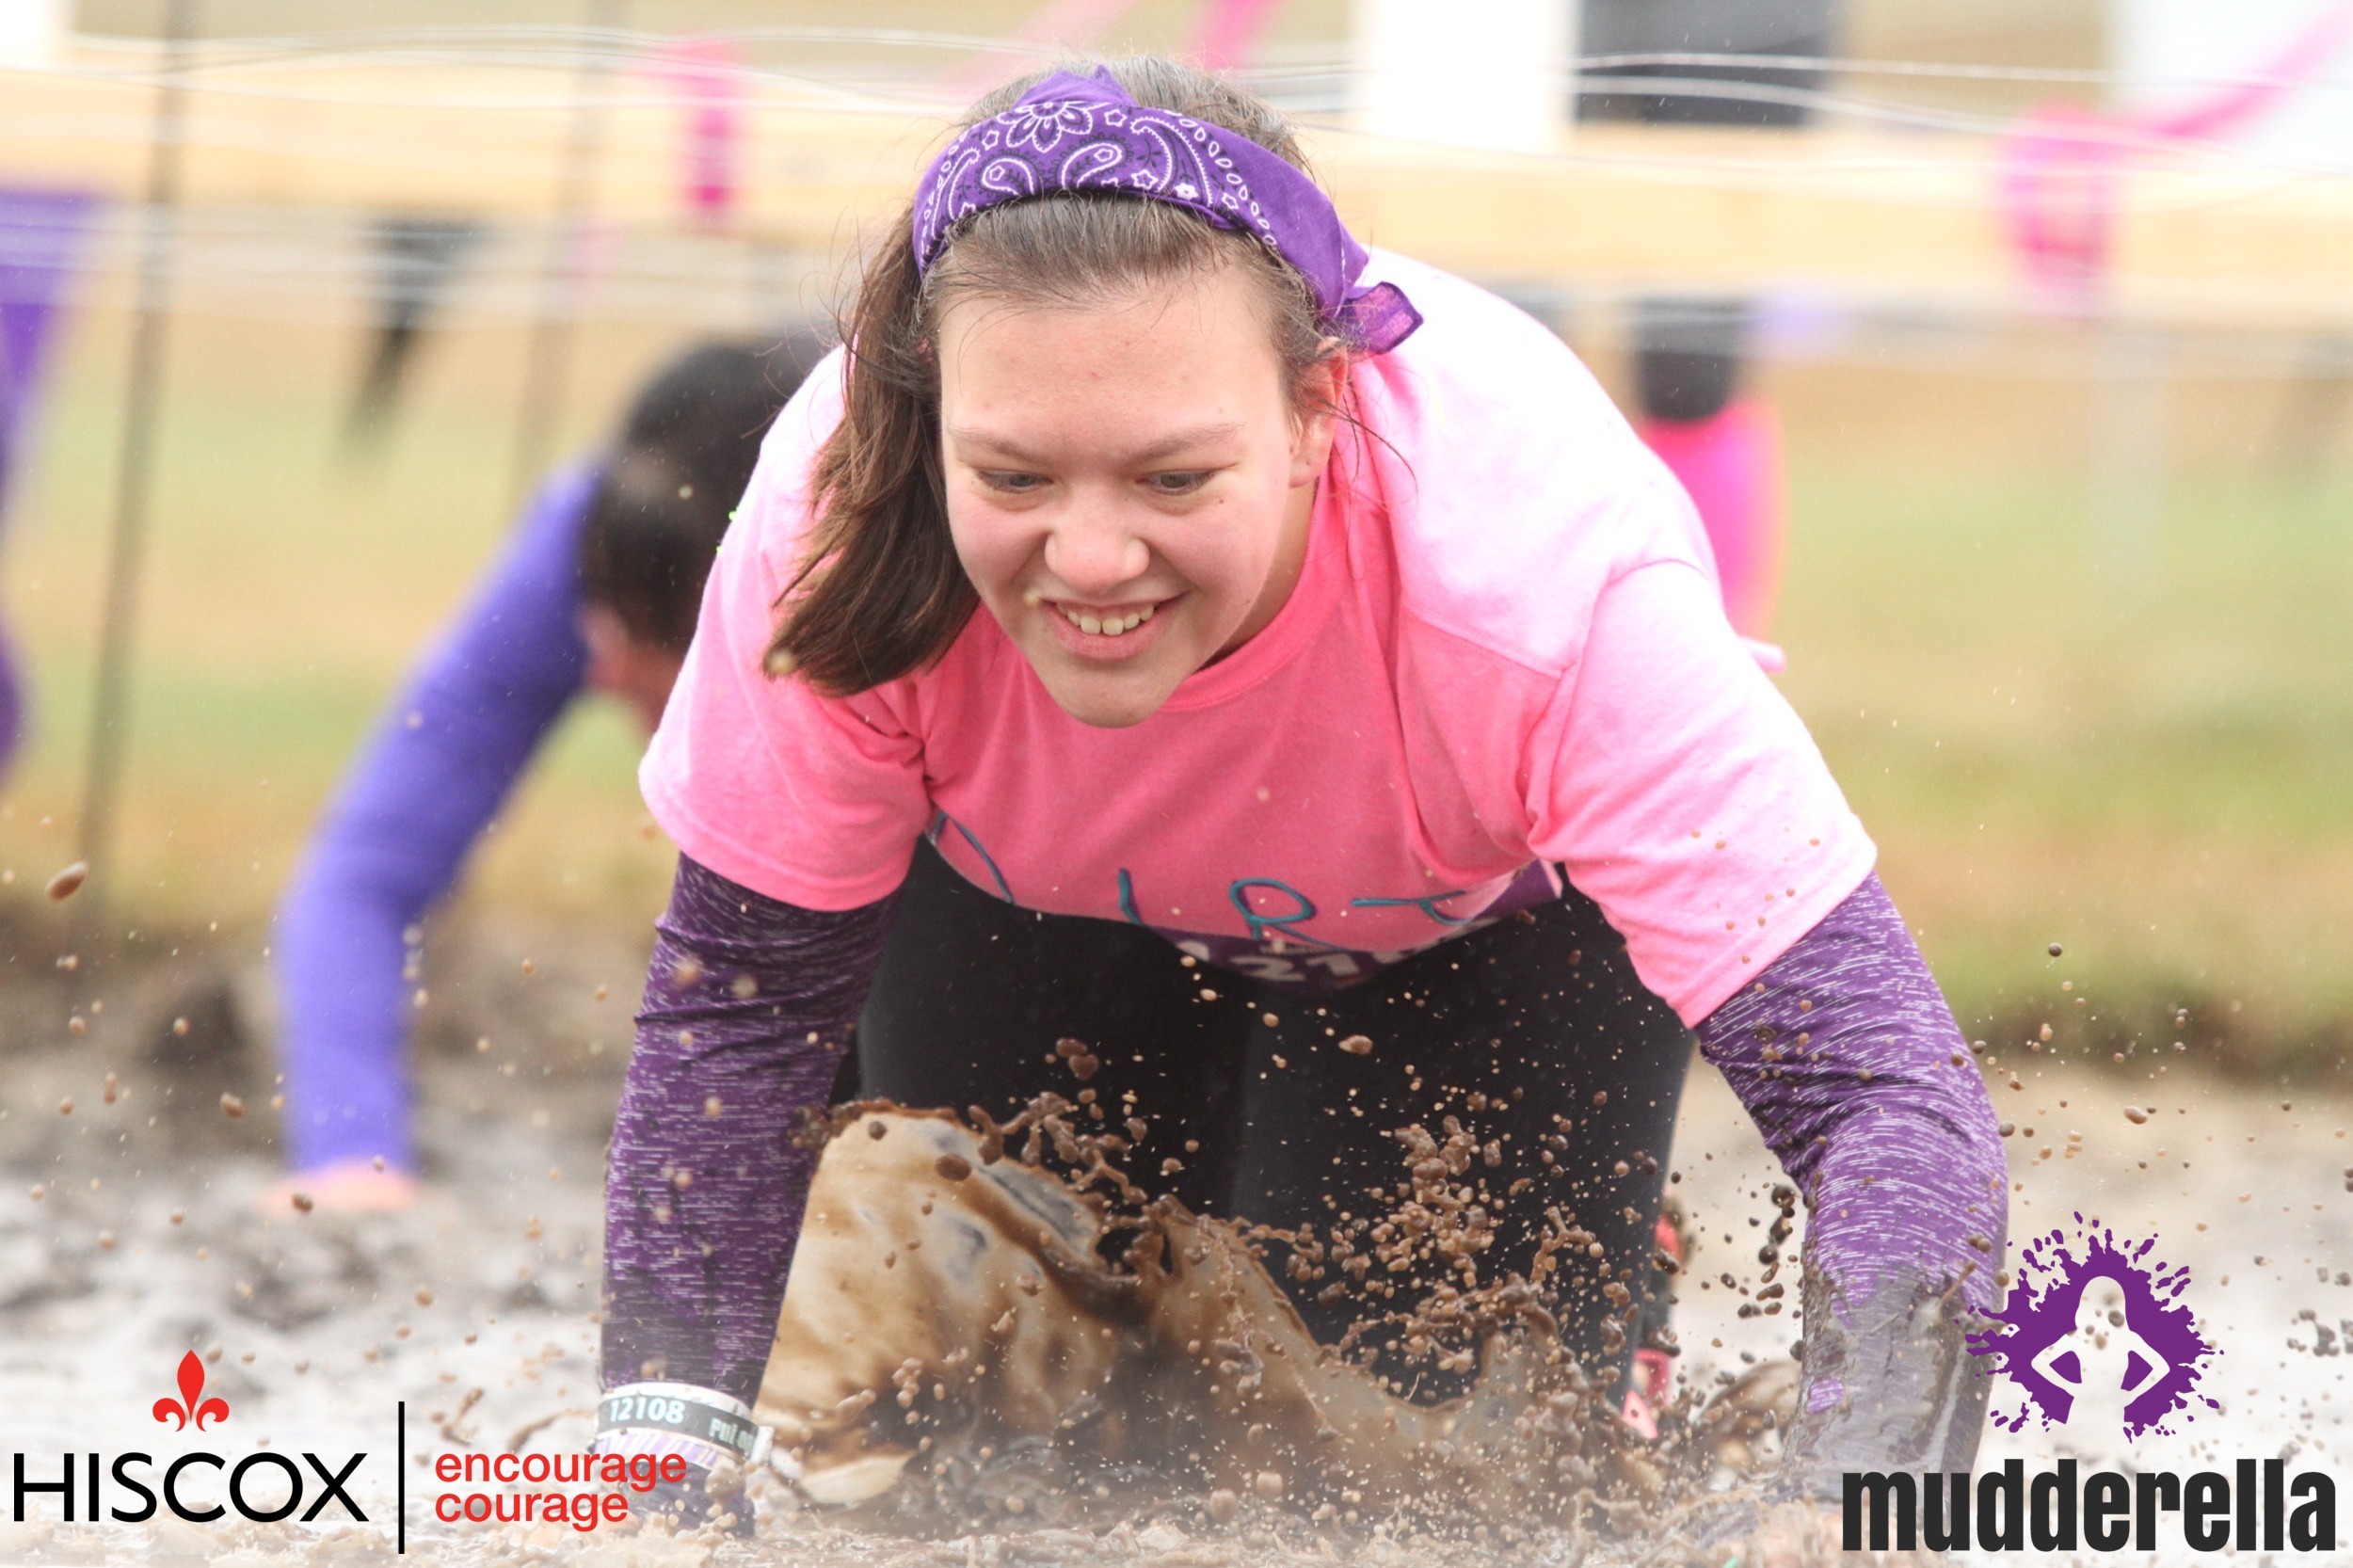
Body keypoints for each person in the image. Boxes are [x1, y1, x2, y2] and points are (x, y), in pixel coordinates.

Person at [590, 59, 2006, 1554]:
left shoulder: (1541, 578)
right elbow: (740, 1023)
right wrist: (651, 1476)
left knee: (1417, 1490)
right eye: (1013, 475)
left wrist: (1864, 1495)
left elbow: (1888, 1096)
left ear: (1319, 407)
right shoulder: (836, 511)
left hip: (1473, 945)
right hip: (1026, 916)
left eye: (1171, 478)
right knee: (1002, 1447)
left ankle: (1613, 1275)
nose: (1088, 558)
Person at [269, 338, 813, 1211]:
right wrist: (352, 1151)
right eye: (609, 616)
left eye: (654, 632)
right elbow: (366, 874)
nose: (606, 667)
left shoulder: (892, 581)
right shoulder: (599, 539)